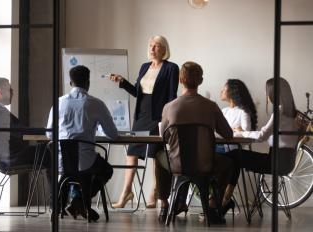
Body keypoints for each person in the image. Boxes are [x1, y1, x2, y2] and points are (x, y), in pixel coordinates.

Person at [159, 61, 234, 223]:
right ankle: (214, 204)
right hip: (206, 164)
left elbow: (163, 138)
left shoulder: (169, 107)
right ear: (200, 81)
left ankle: (165, 205)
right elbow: (228, 134)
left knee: (158, 157)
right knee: (230, 162)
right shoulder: (211, 107)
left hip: (177, 164)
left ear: (180, 80)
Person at [109, 35, 179, 209]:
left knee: (156, 155)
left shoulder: (171, 68)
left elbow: (172, 96)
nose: (152, 48)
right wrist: (123, 82)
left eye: (156, 46)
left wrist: (167, 120)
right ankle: (126, 192)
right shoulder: (144, 67)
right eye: (150, 45)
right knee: (132, 152)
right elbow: (137, 92)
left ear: (164, 49)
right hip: (141, 116)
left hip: (158, 117)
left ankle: (155, 192)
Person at [46, 65, 118, 221]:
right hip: (86, 163)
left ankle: (72, 202)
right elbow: (113, 134)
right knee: (106, 170)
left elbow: (49, 133)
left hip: (62, 163)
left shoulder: (58, 103)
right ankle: (79, 201)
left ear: (70, 83)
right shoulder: (96, 104)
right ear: (88, 82)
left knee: (69, 172)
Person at [223, 77, 298, 216]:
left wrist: (242, 133)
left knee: (233, 156)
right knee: (236, 157)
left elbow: (262, 135)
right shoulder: (292, 113)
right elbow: (268, 137)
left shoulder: (279, 112)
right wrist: (247, 134)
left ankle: (222, 201)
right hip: (285, 162)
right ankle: (224, 200)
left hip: (275, 162)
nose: (265, 94)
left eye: (266, 91)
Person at [0, 77, 52, 203]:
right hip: (11, 158)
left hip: (7, 157)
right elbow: (22, 132)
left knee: (47, 149)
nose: (13, 92)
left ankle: (59, 200)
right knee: (51, 152)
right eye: (10, 89)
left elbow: (18, 133)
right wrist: (49, 131)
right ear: (0, 92)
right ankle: (56, 202)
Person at [218, 79, 258, 205]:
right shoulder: (223, 111)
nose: (221, 91)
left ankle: (223, 200)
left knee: (234, 158)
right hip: (218, 148)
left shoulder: (243, 112)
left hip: (231, 150)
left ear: (232, 92)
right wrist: (234, 131)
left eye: (224, 89)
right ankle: (219, 200)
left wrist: (234, 132)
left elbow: (246, 136)